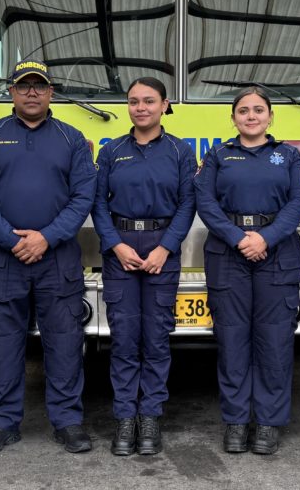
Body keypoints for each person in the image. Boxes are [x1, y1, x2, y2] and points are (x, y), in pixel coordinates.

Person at [0, 59, 97, 455]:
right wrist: (9, 239)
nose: (32, 92)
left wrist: (48, 238)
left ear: (51, 92)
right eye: (24, 86)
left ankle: (68, 422)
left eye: (39, 86)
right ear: (12, 92)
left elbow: (83, 197)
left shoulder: (73, 139)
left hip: (58, 260)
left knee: (65, 343)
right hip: (5, 260)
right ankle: (2, 424)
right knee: (4, 345)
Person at [194, 86, 300, 455]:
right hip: (228, 254)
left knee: (274, 342)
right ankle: (235, 421)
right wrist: (236, 237)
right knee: (232, 342)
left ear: (270, 116)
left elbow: (298, 201)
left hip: (276, 255)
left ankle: (268, 423)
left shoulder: (288, 156)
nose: (251, 116)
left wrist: (266, 238)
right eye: (243, 110)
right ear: (233, 118)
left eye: (258, 110)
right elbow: (205, 200)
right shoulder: (218, 155)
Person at [91, 77, 196, 456]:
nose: (141, 108)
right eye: (134, 101)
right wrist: (115, 245)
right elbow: (98, 203)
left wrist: (166, 248)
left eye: (149, 101)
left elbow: (188, 204)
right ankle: (125, 417)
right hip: (120, 250)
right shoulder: (111, 150)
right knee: (123, 338)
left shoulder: (180, 152)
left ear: (164, 105)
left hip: (159, 252)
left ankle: (150, 415)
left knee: (155, 339)